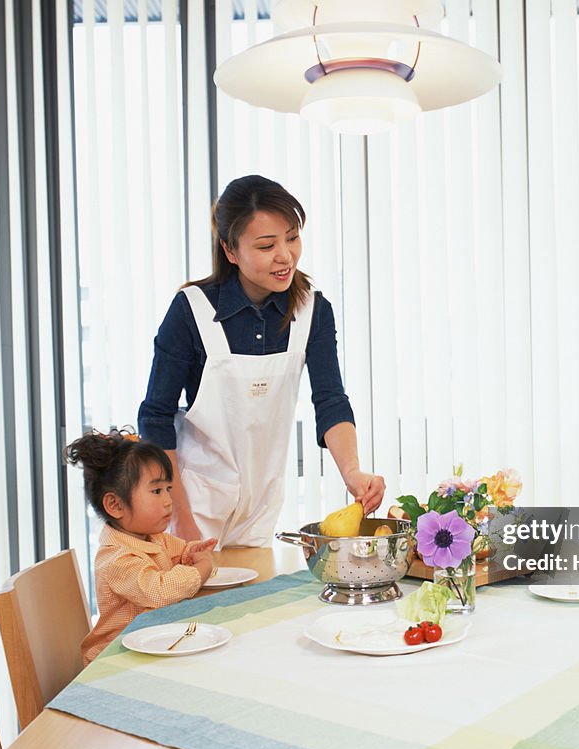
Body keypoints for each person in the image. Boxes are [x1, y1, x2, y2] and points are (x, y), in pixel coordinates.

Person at [138, 175, 385, 547]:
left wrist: (352, 472)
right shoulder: (192, 310)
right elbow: (155, 418)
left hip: (260, 507)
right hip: (190, 505)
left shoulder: (312, 312)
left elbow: (330, 400)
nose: (285, 255)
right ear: (231, 251)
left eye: (292, 237)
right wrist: (180, 519)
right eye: (267, 245)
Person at [67, 429, 218, 665]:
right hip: (115, 663)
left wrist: (191, 553)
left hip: (149, 649)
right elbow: (160, 591)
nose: (168, 500)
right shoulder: (117, 558)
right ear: (115, 505)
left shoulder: (152, 538)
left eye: (169, 489)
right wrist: (202, 569)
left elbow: (178, 552)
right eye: (157, 491)